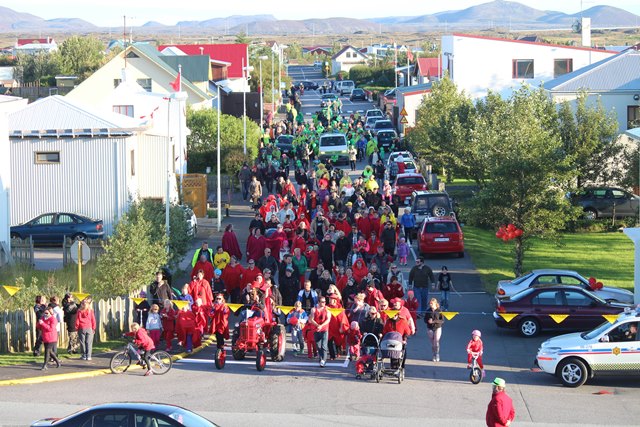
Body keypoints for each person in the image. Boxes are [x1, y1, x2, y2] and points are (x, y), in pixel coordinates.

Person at [309, 296, 332, 367]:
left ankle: (323, 360)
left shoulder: (327, 310)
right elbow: (311, 319)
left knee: (324, 346)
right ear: (318, 302)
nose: (324, 303)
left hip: (324, 329)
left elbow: (328, 320)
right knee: (318, 346)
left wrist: (321, 326)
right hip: (316, 329)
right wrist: (317, 325)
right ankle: (321, 358)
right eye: (322, 302)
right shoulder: (313, 309)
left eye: (325, 302)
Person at [425, 298, 445, 362]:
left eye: (432, 303)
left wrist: (433, 321)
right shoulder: (428, 311)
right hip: (430, 328)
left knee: (436, 341)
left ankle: (437, 354)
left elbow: (442, 320)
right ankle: (433, 354)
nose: (431, 305)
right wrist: (428, 321)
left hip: (438, 327)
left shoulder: (439, 310)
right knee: (433, 342)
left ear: (435, 304)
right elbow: (425, 319)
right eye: (430, 303)